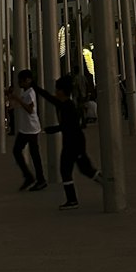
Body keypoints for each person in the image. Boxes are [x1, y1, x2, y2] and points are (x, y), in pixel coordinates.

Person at [35, 74, 103, 209]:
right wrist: (34, 87)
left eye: (57, 89)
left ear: (61, 91)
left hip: (74, 142)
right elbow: (48, 97)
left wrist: (52, 129)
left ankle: (105, 183)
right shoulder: (64, 104)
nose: (55, 91)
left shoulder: (68, 106)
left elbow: (69, 126)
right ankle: (102, 183)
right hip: (72, 141)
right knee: (79, 169)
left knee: (76, 169)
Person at [7, 70, 46, 191]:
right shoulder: (26, 93)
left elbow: (29, 109)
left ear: (28, 80)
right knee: (18, 151)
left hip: (31, 128)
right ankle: (30, 176)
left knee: (34, 154)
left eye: (21, 80)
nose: (19, 83)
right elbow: (19, 106)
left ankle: (39, 179)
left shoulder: (30, 93)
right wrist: (12, 99)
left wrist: (17, 99)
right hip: (25, 128)